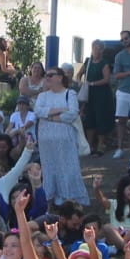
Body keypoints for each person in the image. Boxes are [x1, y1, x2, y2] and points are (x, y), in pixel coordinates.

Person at [31, 64, 88, 203]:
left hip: (65, 139)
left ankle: (69, 197)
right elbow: (38, 111)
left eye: (51, 75)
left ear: (60, 77)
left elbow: (73, 113)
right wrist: (60, 109)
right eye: (46, 75)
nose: (47, 78)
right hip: (46, 141)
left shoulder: (70, 94)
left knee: (67, 167)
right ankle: (52, 196)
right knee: (50, 168)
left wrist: (51, 117)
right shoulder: (43, 95)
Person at [108, 29, 130, 159]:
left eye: (126, 38)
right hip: (123, 91)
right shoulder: (119, 56)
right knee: (121, 121)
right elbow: (117, 75)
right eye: (122, 39)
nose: (124, 41)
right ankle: (119, 148)